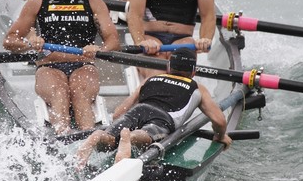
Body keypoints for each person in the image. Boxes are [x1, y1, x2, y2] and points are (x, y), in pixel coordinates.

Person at [3, 0, 120, 135]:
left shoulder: (94, 3)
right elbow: (10, 40)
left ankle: (87, 138)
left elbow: (113, 40)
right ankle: (63, 137)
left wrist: (99, 49)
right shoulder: (38, 2)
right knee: (60, 92)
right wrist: (30, 43)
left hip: (83, 64)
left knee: (79, 91)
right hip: (49, 66)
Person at [75, 48, 231, 168]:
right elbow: (220, 120)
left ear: (169, 67)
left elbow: (118, 113)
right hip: (163, 118)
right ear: (193, 71)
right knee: (145, 135)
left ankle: (99, 136)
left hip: (138, 109)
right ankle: (130, 137)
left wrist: (119, 123)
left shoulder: (152, 78)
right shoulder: (198, 87)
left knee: (109, 141)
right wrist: (220, 135)